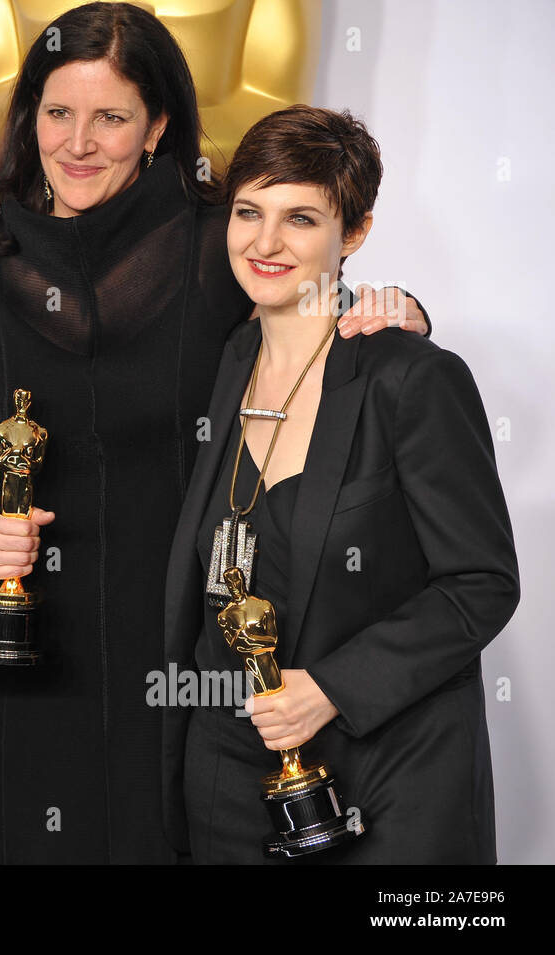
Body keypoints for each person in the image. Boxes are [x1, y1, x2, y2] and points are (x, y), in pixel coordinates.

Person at [0, 1, 427, 863]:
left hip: (186, 651)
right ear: (28, 118)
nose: (78, 142)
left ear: (156, 126)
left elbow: (329, 325)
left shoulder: (222, 252)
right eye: (57, 113)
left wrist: (403, 309)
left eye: (110, 117)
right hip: (17, 651)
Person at [162, 105, 519, 863]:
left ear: (352, 234)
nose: (264, 242)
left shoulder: (413, 379)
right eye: (248, 211)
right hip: (230, 777)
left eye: (300, 218)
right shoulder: (226, 362)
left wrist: (329, 685)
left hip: (390, 780)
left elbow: (481, 582)